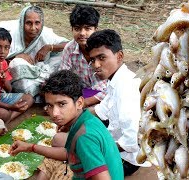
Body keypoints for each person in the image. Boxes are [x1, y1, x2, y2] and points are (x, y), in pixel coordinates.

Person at [9, 70, 124, 179]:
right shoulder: (85, 120)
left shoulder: (84, 137)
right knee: (51, 157)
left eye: (62, 104)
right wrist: (30, 147)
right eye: (50, 105)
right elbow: (69, 154)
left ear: (79, 103)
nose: (54, 113)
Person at [86, 29, 151, 176]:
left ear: (119, 56)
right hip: (115, 141)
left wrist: (97, 148)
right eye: (92, 60)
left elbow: (130, 142)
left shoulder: (127, 88)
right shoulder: (116, 80)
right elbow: (100, 110)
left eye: (101, 58)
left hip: (126, 158)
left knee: (78, 159)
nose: (96, 65)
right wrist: (73, 118)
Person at [0, 6, 69, 97]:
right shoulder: (12, 36)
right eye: (29, 23)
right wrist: (16, 56)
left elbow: (70, 45)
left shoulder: (45, 34)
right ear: (22, 23)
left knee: (64, 56)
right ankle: (44, 87)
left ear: (41, 23)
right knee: (16, 63)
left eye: (37, 23)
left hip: (42, 71)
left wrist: (49, 47)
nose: (33, 28)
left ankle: (42, 85)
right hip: (20, 77)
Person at [60, 5, 107, 108]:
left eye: (87, 29)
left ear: (96, 29)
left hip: (103, 96)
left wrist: (81, 103)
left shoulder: (104, 50)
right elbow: (63, 76)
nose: (82, 33)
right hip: (81, 92)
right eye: (77, 29)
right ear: (72, 29)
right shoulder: (69, 48)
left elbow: (106, 89)